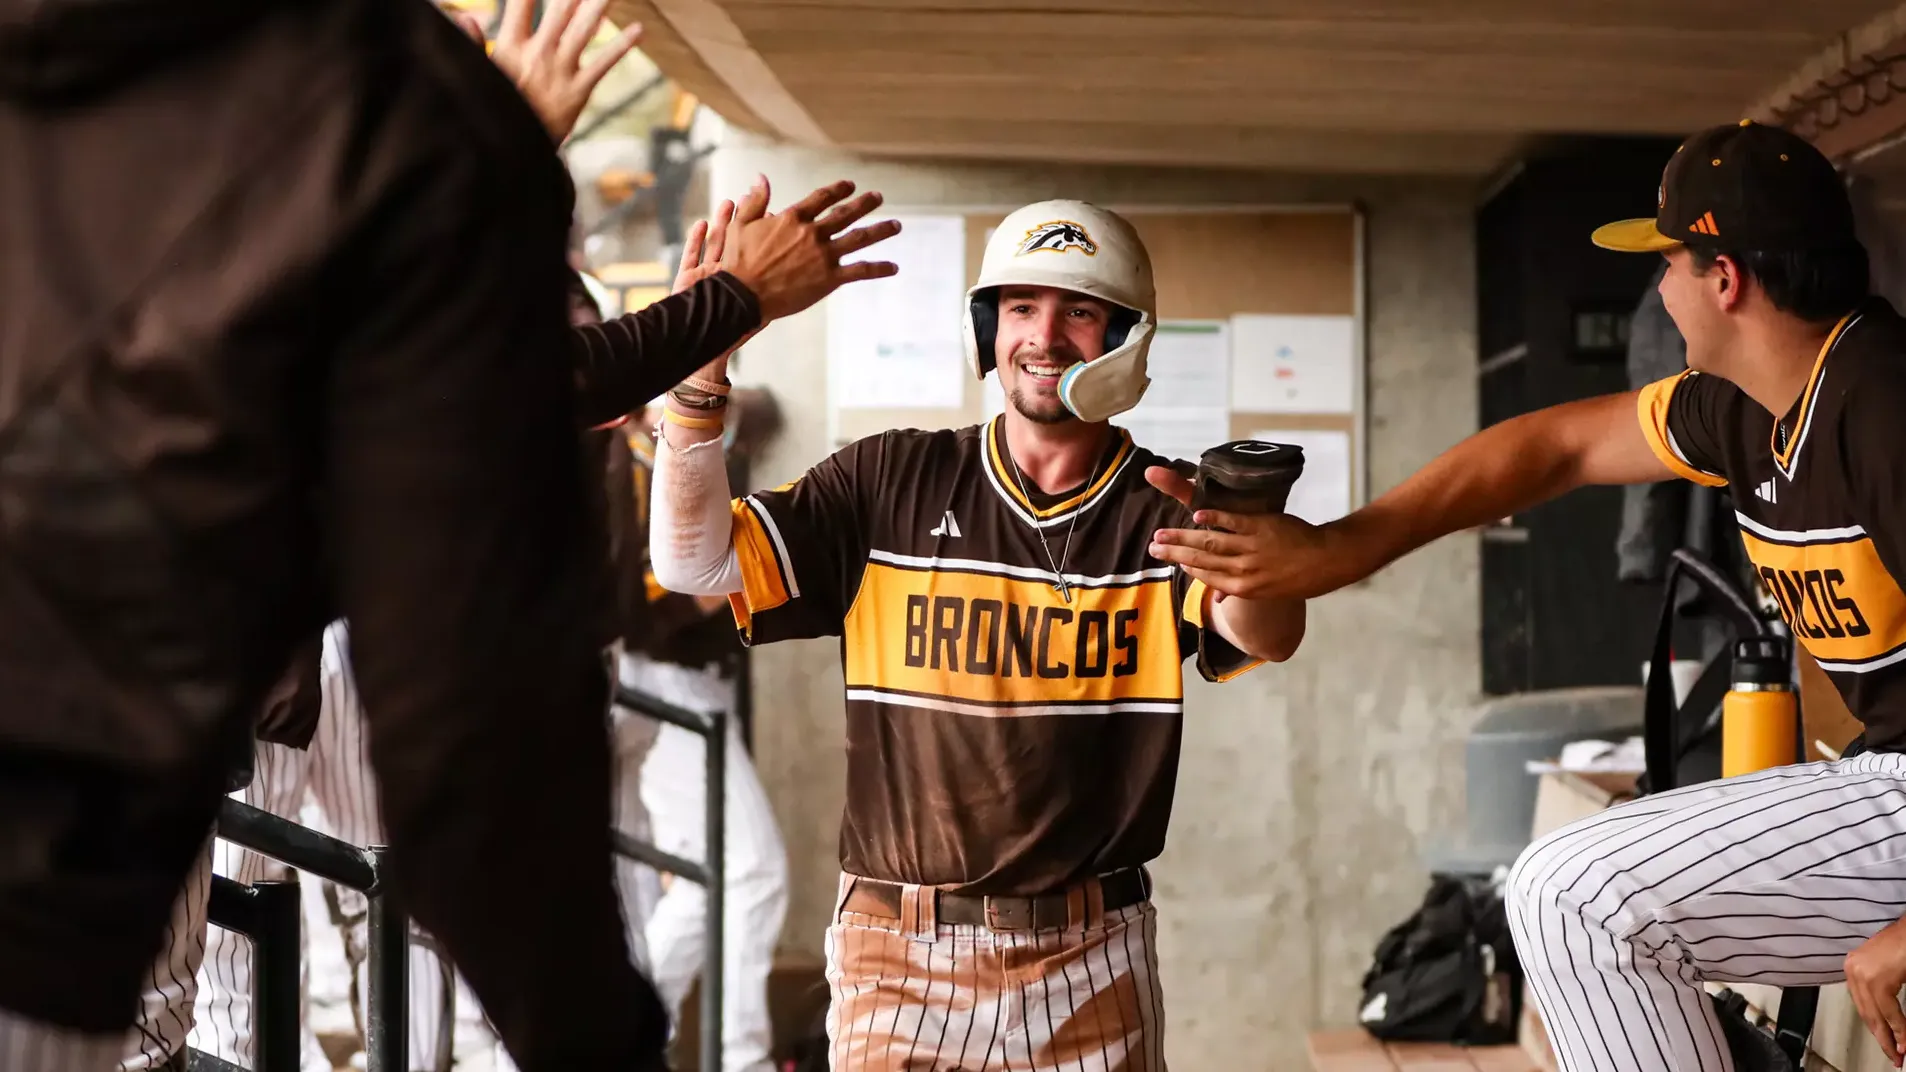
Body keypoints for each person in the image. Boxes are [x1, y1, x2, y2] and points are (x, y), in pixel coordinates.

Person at [0, 0, 896, 1066]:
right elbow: (471, 736)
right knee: (258, 972)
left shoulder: (331, 126)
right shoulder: (381, 116)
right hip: (75, 850)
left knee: (307, 947)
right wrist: (481, 160)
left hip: (148, 757)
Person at [1146, 119, 1906, 1071]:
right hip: (1883, 776)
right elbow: (1554, 448)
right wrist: (1337, 552)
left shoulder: (1883, 405)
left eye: (1667, 262)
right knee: (1571, 889)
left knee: (1576, 894)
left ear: (1725, 278)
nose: (1659, 290)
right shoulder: (1746, 404)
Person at [649, 198, 1307, 1069]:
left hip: (1093, 955)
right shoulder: (889, 478)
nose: (1044, 336)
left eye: (1079, 312)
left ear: (1124, 338)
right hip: (897, 952)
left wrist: (1253, 545)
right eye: (1021, 307)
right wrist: (697, 382)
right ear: (988, 328)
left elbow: (1266, 636)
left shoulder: (1164, 506)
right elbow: (695, 563)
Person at [617, 370, 790, 1072]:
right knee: (753, 870)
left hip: (698, 685)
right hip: (658, 685)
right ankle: (737, 1058)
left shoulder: (691, 447)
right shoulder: (627, 465)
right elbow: (649, 606)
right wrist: (732, 568)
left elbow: (766, 407)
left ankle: (623, 1039)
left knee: (703, 881)